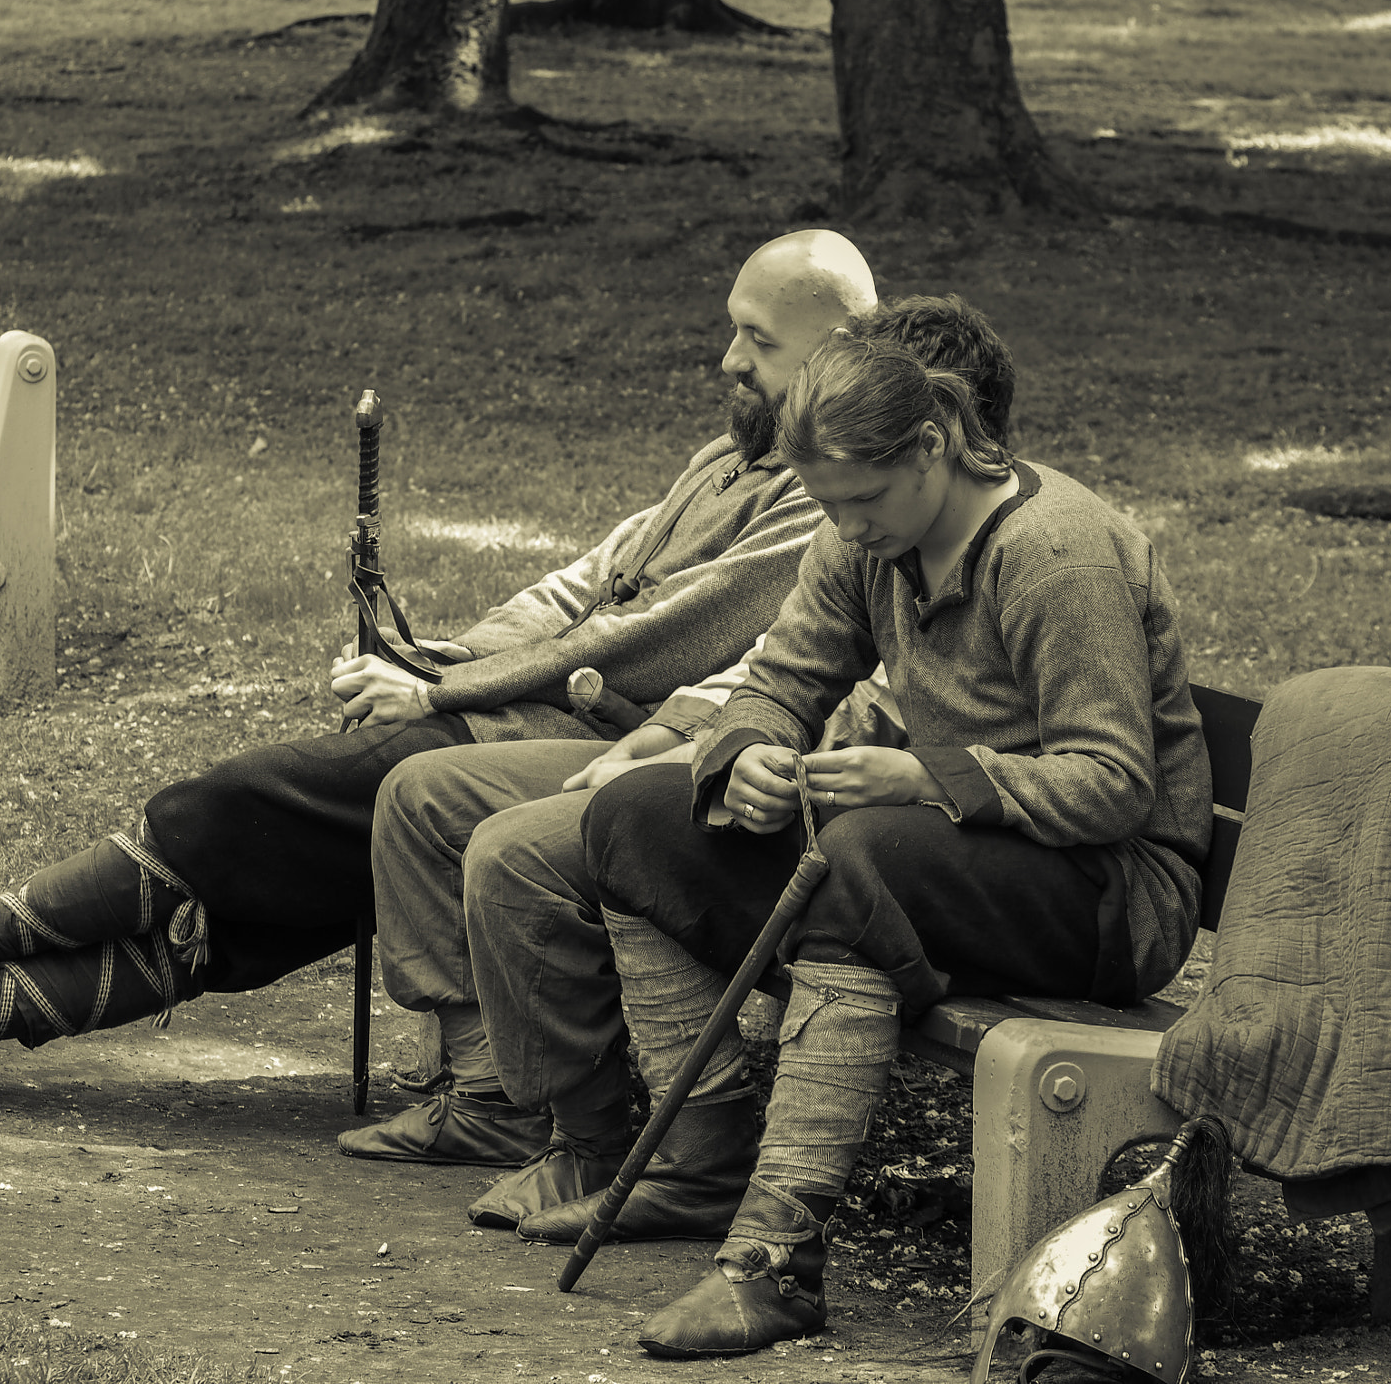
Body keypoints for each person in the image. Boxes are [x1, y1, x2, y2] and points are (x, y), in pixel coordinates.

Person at [0, 229, 876, 1103]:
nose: (726, 359)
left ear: (835, 350)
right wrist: (449, 650)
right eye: (730, 327)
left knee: (225, 813)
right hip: (515, 718)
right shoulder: (724, 459)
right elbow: (582, 582)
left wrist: (436, 689)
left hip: (600, 751)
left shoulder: (818, 500)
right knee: (264, 905)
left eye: (756, 343)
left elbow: (652, 636)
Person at [476, 307, 1215, 1358]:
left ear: (933, 445)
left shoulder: (1057, 555)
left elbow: (1111, 787)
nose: (848, 525)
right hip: (940, 869)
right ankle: (694, 1164)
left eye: (863, 499)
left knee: (866, 853)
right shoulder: (858, 536)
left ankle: (775, 1259)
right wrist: (750, 757)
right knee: (635, 818)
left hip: (1108, 894)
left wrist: (923, 775)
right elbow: (772, 685)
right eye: (828, 502)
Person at [341, 297, 1008, 1238]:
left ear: (932, 436)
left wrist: (698, 742)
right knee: (416, 788)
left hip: (913, 851)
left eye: (761, 339)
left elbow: (1081, 772)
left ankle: (645, 1158)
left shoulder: (1028, 552)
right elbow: (773, 670)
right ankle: (521, 1105)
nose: (731, 360)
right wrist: (730, 742)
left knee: (564, 839)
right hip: (767, 784)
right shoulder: (831, 513)